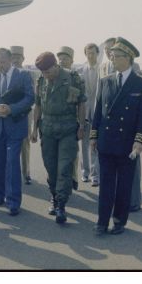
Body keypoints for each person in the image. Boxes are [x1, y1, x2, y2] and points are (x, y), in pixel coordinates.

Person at [90, 37, 142, 235]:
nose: (112, 59)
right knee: (106, 185)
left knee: (124, 186)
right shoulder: (105, 81)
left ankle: (119, 221)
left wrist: (140, 141)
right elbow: (98, 111)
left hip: (127, 145)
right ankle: (101, 221)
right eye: (111, 55)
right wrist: (93, 136)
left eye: (115, 56)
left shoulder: (141, 84)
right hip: (107, 142)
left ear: (128, 58)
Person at [31, 52, 86, 224]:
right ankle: (54, 196)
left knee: (64, 167)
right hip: (47, 129)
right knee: (51, 166)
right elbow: (38, 105)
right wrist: (34, 129)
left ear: (55, 65)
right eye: (43, 72)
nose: (46, 75)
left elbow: (82, 103)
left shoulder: (72, 78)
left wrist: (82, 126)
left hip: (68, 128)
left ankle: (61, 204)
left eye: (48, 71)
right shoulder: (41, 80)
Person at [0, 47, 34, 216]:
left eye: (2, 62)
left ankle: (13, 202)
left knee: (12, 163)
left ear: (11, 60)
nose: (0, 66)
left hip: (15, 127)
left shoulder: (23, 75)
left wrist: (11, 109)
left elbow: (30, 98)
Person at [10, 45, 37, 185]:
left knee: (24, 142)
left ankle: (26, 172)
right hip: (8, 113)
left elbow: (32, 95)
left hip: (25, 113)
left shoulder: (28, 73)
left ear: (23, 58)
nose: (15, 59)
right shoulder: (5, 73)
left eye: (18, 57)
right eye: (12, 56)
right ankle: (11, 172)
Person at [57, 46, 80, 190]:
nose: (62, 61)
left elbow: (79, 102)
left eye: (65, 58)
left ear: (72, 61)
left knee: (73, 152)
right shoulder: (53, 76)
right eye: (60, 58)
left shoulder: (75, 77)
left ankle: (73, 177)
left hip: (71, 120)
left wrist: (80, 123)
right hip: (55, 122)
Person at [79, 43, 100, 187]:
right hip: (83, 112)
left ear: (97, 54)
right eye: (88, 53)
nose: (91, 55)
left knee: (95, 144)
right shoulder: (81, 70)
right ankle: (84, 172)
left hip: (98, 111)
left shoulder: (102, 69)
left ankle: (95, 174)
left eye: (93, 53)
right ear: (85, 54)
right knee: (84, 143)